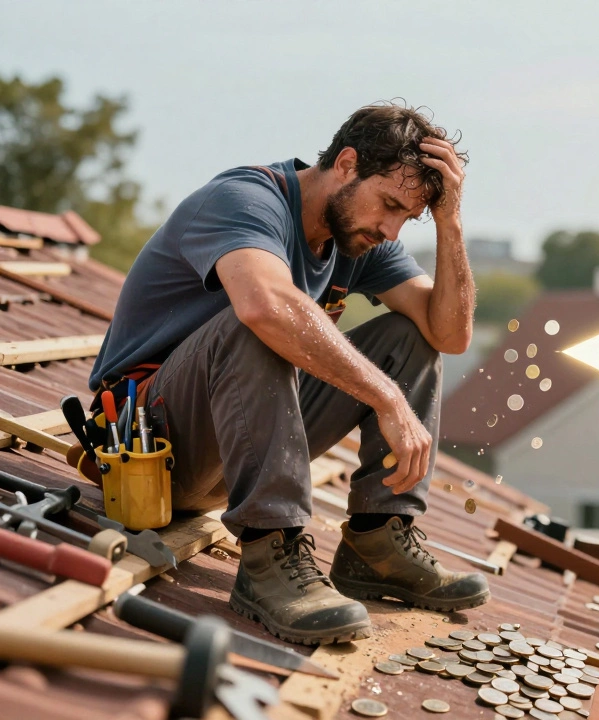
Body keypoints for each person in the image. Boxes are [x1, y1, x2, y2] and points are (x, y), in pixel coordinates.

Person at [89, 103, 490, 645]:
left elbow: (450, 335)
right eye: (390, 205)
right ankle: (269, 555)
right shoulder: (244, 201)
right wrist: (388, 401)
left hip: (244, 446)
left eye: (408, 217)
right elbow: (263, 306)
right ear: (346, 164)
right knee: (265, 317)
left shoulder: (357, 236)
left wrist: (450, 221)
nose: (392, 230)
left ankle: (377, 541)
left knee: (407, 338)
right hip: (151, 453)